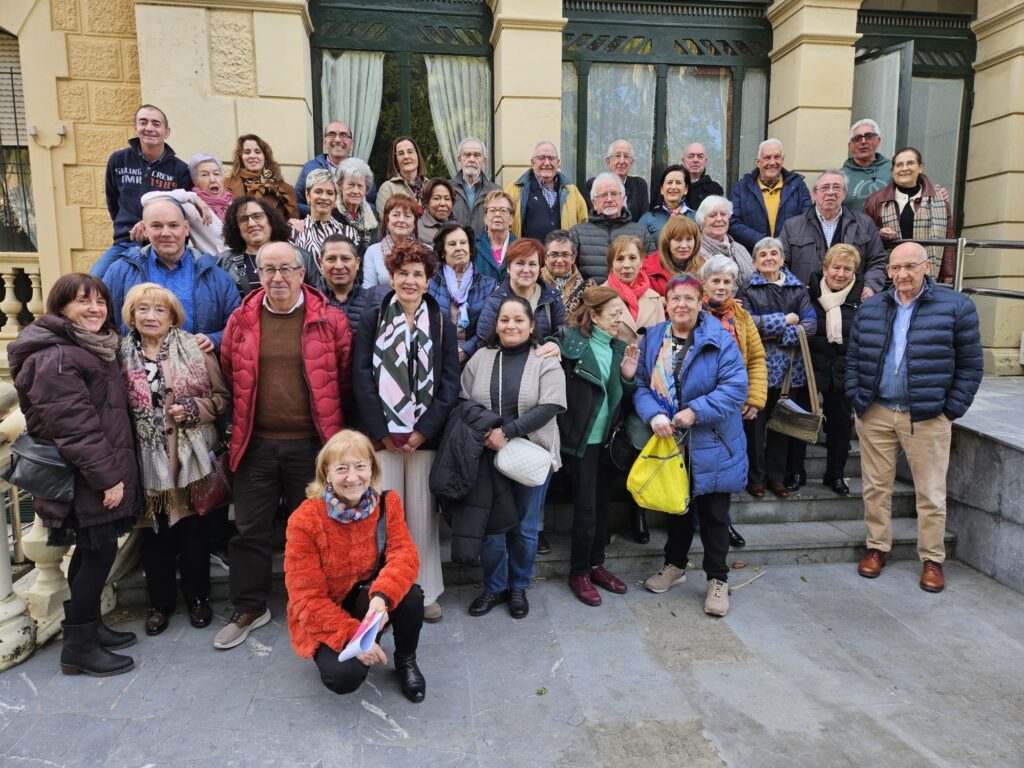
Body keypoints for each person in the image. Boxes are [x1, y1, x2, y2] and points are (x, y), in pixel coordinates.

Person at [215, 241, 353, 650]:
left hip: (311, 445)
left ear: (302, 272)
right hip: (255, 443)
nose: (278, 278)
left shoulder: (330, 320)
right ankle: (250, 607)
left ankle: (311, 604)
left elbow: (342, 380)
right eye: (269, 269)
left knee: (313, 531)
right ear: (258, 272)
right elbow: (229, 371)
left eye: (286, 269)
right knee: (249, 530)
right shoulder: (240, 320)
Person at [8, 274, 141, 676]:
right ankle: (79, 649)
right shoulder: (57, 356)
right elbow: (75, 427)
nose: (95, 309)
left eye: (100, 301)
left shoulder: (85, 348)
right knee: (96, 553)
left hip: (90, 473)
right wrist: (107, 478)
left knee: (91, 553)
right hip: (83, 477)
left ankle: (86, 628)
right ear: (61, 306)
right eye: (84, 301)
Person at [847, 242, 982, 593]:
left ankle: (932, 558)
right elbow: (854, 356)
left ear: (927, 266)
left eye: (910, 266)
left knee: (931, 492)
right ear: (887, 271)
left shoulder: (957, 307)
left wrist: (950, 409)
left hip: (926, 415)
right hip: (876, 411)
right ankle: (876, 547)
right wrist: (856, 397)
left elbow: (970, 365)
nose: (902, 274)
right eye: (895, 268)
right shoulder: (871, 307)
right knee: (876, 487)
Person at [352, 240, 460, 623]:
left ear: (429, 280)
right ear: (392, 277)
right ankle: (385, 592)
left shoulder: (442, 320)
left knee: (421, 517)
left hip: (424, 438)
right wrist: (382, 432)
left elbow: (450, 381)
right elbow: (361, 376)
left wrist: (424, 430)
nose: (410, 280)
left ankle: (426, 589)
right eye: (403, 273)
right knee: (383, 519)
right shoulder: (373, 315)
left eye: (418, 274)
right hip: (383, 437)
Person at [635, 275, 749, 617]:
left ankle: (717, 578)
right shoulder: (654, 339)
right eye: (675, 299)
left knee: (714, 514)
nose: (681, 304)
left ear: (701, 303)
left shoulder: (719, 339)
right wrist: (654, 414)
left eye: (689, 298)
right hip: (671, 441)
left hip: (712, 441)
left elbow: (734, 388)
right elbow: (641, 385)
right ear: (666, 304)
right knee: (676, 509)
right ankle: (675, 565)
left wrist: (694, 412)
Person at [118, 283, 229, 635]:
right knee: (155, 536)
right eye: (143, 309)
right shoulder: (119, 356)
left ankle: (198, 598)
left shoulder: (196, 349)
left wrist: (197, 409)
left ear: (172, 316)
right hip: (146, 462)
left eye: (159, 310)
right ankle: (159, 604)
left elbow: (222, 400)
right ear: (132, 315)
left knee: (195, 531)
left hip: (189, 460)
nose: (151, 316)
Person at [284, 430, 425, 702]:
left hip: (369, 598)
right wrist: (354, 637)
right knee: (344, 677)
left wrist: (382, 598)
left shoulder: (387, 503)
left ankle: (406, 660)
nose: (352, 477)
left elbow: (404, 554)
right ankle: (364, 644)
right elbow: (306, 599)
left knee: (411, 595)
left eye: (360, 466)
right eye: (342, 468)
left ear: (371, 468)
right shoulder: (305, 520)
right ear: (326, 471)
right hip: (326, 612)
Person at [462, 296, 566, 618]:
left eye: (519, 320)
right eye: (504, 319)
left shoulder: (545, 359)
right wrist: (486, 431)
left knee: (525, 526)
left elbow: (550, 405)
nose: (511, 325)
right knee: (492, 528)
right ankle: (494, 587)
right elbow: (462, 400)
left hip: (531, 456)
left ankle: (519, 585)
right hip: (486, 457)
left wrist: (506, 433)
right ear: (496, 324)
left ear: (532, 325)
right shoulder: (480, 357)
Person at [558, 286, 638, 606]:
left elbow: (624, 398)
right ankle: (579, 571)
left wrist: (629, 378)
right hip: (581, 440)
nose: (621, 319)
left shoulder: (619, 348)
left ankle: (596, 564)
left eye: (622, 313)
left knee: (603, 505)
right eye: (614, 314)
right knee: (586, 507)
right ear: (594, 315)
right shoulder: (573, 345)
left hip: (608, 440)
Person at [103, 198, 240, 351]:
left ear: (186, 228)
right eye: (156, 226)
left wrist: (214, 339)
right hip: (135, 370)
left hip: (197, 369)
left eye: (173, 225)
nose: (166, 233)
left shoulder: (216, 276)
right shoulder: (120, 271)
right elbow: (102, 322)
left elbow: (237, 326)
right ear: (144, 229)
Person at [737, 237, 816, 498]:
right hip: (756, 369)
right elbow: (748, 324)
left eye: (774, 253)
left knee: (782, 426)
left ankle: (776, 478)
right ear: (754, 261)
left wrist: (778, 335)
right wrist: (786, 320)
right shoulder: (747, 288)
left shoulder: (797, 289)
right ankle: (755, 479)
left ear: (782, 259)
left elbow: (810, 326)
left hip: (790, 371)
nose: (769, 258)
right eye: (763, 254)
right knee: (754, 428)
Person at [700, 255, 767, 549]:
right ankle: (692, 519)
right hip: (699, 402)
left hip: (732, 405)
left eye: (727, 281)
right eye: (715, 280)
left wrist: (754, 398)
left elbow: (756, 359)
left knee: (725, 467)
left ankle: (723, 523)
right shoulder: (692, 311)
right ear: (705, 283)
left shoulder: (742, 317)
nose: (721, 286)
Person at [92, 104, 192, 279]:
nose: (149, 128)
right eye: (143, 122)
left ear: (166, 131)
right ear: (135, 128)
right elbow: (113, 201)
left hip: (165, 244)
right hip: (127, 242)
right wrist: (128, 227)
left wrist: (149, 224)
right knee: (94, 282)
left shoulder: (180, 169)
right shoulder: (118, 160)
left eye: (156, 123)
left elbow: (183, 211)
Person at [780, 169, 888, 301]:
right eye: (825, 188)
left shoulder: (865, 224)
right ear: (814, 194)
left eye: (837, 187)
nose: (831, 192)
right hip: (805, 302)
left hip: (851, 301)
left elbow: (878, 261)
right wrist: (797, 289)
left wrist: (870, 286)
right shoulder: (792, 226)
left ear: (844, 194)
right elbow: (780, 264)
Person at [807, 244, 862, 496]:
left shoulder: (862, 299)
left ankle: (835, 475)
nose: (840, 274)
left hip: (843, 370)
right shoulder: (809, 294)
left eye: (847, 269)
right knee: (802, 422)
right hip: (811, 368)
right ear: (825, 268)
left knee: (840, 427)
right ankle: (795, 472)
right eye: (836, 267)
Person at [864, 147, 956, 284]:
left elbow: (948, 237)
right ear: (893, 171)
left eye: (910, 163)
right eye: (899, 165)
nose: (904, 168)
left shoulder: (939, 199)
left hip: (929, 273)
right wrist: (879, 233)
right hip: (889, 276)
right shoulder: (876, 200)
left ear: (920, 167)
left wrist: (949, 272)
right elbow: (863, 235)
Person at [472, 238, 568, 358]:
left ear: (540, 269)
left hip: (543, 365)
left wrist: (555, 344)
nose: (526, 270)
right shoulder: (495, 301)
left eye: (532, 264)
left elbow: (564, 332)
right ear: (508, 267)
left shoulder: (552, 298)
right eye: (520, 263)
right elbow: (484, 344)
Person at [427, 222, 498, 363]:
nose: (459, 248)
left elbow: (490, 326)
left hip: (475, 358)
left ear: (470, 249)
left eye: (463, 243)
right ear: (442, 252)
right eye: (452, 244)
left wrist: (466, 349)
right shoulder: (430, 282)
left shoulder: (489, 285)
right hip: (435, 357)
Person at [728, 139, 812, 252]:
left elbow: (807, 220)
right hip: (752, 256)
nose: (772, 162)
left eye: (776, 157)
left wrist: (782, 244)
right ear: (758, 162)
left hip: (789, 257)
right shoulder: (741, 188)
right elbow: (733, 223)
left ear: (782, 160)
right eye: (767, 158)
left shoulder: (798, 186)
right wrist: (764, 243)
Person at [140, 153, 231, 256]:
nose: (212, 179)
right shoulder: (190, 207)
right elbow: (146, 198)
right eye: (204, 175)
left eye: (216, 174)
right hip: (217, 265)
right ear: (195, 181)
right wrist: (193, 198)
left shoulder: (233, 204)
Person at [570, 172, 653, 282]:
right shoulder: (577, 233)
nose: (609, 199)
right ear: (594, 202)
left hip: (631, 297)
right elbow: (569, 273)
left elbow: (652, 272)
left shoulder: (641, 233)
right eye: (603, 195)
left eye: (614, 194)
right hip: (591, 297)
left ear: (623, 199)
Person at [506, 141, 588, 241]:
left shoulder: (572, 192)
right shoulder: (514, 190)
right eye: (541, 158)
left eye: (551, 158)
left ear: (558, 162)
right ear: (532, 163)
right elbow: (505, 226)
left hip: (561, 255)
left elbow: (584, 226)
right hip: (528, 255)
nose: (547, 163)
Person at [295, 121, 377, 216]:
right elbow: (296, 203)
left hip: (354, 229)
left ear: (351, 144)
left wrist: (354, 208)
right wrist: (324, 211)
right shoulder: (309, 168)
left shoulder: (363, 171)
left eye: (343, 135)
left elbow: (374, 207)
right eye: (332, 134)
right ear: (324, 142)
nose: (337, 140)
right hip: (319, 227)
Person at [217, 196, 293, 298]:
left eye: (257, 216)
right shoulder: (222, 262)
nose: (252, 224)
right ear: (236, 228)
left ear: (270, 219)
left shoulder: (298, 256)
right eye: (243, 219)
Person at [290, 169, 358, 266]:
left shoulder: (350, 233)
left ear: (335, 199)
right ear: (307, 195)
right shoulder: (294, 232)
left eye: (330, 193)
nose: (324, 197)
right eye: (318, 192)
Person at [605, 234, 665, 344]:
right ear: (611, 265)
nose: (627, 265)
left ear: (641, 262)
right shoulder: (599, 297)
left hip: (648, 361)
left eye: (632, 258)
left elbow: (663, 341)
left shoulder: (654, 298)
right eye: (620, 259)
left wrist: (666, 361)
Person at [226, 134, 300, 222]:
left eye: (257, 152)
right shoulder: (226, 184)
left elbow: (295, 225)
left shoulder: (285, 190)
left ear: (265, 157)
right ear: (241, 157)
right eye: (247, 152)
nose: (252, 156)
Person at [361, 193, 419, 290]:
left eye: (407, 216)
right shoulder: (373, 251)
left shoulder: (425, 251)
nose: (401, 220)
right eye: (396, 215)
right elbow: (368, 289)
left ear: (414, 223)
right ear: (387, 220)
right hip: (381, 304)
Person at [583, 139, 650, 222]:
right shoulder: (593, 185)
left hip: (634, 234)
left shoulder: (639, 185)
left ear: (631, 162)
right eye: (617, 156)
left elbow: (644, 219)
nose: (622, 161)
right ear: (608, 161)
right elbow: (593, 217)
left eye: (626, 156)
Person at [696, 195, 755, 287]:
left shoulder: (741, 248)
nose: (719, 219)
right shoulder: (696, 251)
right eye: (712, 215)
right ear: (702, 220)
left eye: (723, 214)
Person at [318, 234, 370, 335]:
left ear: (357, 262)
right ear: (321, 263)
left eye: (345, 258)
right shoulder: (310, 301)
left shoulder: (373, 302)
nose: (339, 266)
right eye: (331, 259)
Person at [642, 216, 705, 295]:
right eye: (678, 240)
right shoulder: (648, 268)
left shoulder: (703, 266)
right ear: (667, 242)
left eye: (689, 239)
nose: (684, 245)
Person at [451, 137, 499, 235]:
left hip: (485, 248)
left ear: (483, 160)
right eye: (467, 155)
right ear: (460, 159)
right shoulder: (447, 189)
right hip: (456, 247)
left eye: (477, 155)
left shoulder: (495, 191)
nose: (471, 159)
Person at [840, 119, 890, 213]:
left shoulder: (893, 169)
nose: (863, 141)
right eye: (857, 138)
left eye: (868, 136)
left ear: (878, 141)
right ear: (850, 146)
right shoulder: (840, 177)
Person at [542, 229, 596, 316]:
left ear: (573, 258)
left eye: (565, 255)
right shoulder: (536, 282)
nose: (559, 260)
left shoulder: (588, 285)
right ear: (545, 257)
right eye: (554, 254)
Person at [638, 164, 695, 244]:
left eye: (678, 183)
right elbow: (638, 248)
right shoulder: (647, 219)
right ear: (662, 189)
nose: (673, 187)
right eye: (669, 182)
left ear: (686, 189)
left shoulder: (696, 217)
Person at [334, 158, 379, 254]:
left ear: (366, 189)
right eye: (350, 185)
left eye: (360, 186)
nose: (355, 191)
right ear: (340, 185)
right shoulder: (331, 212)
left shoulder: (372, 213)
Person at [375, 136, 428, 215]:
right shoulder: (387, 188)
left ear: (417, 156)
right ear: (395, 161)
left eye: (410, 152)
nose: (406, 157)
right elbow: (387, 221)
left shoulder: (430, 185)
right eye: (401, 153)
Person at [474, 190, 517, 282]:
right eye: (492, 210)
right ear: (485, 217)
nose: (497, 214)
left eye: (503, 210)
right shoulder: (474, 246)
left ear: (511, 218)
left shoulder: (521, 247)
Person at [681, 142, 725, 212]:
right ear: (683, 161)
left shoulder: (715, 189)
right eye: (691, 156)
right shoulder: (671, 186)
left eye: (700, 156)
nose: (695, 160)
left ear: (705, 161)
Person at [417, 177, 455, 245]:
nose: (443, 203)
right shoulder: (416, 228)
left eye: (447, 199)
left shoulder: (456, 227)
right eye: (436, 198)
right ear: (426, 202)